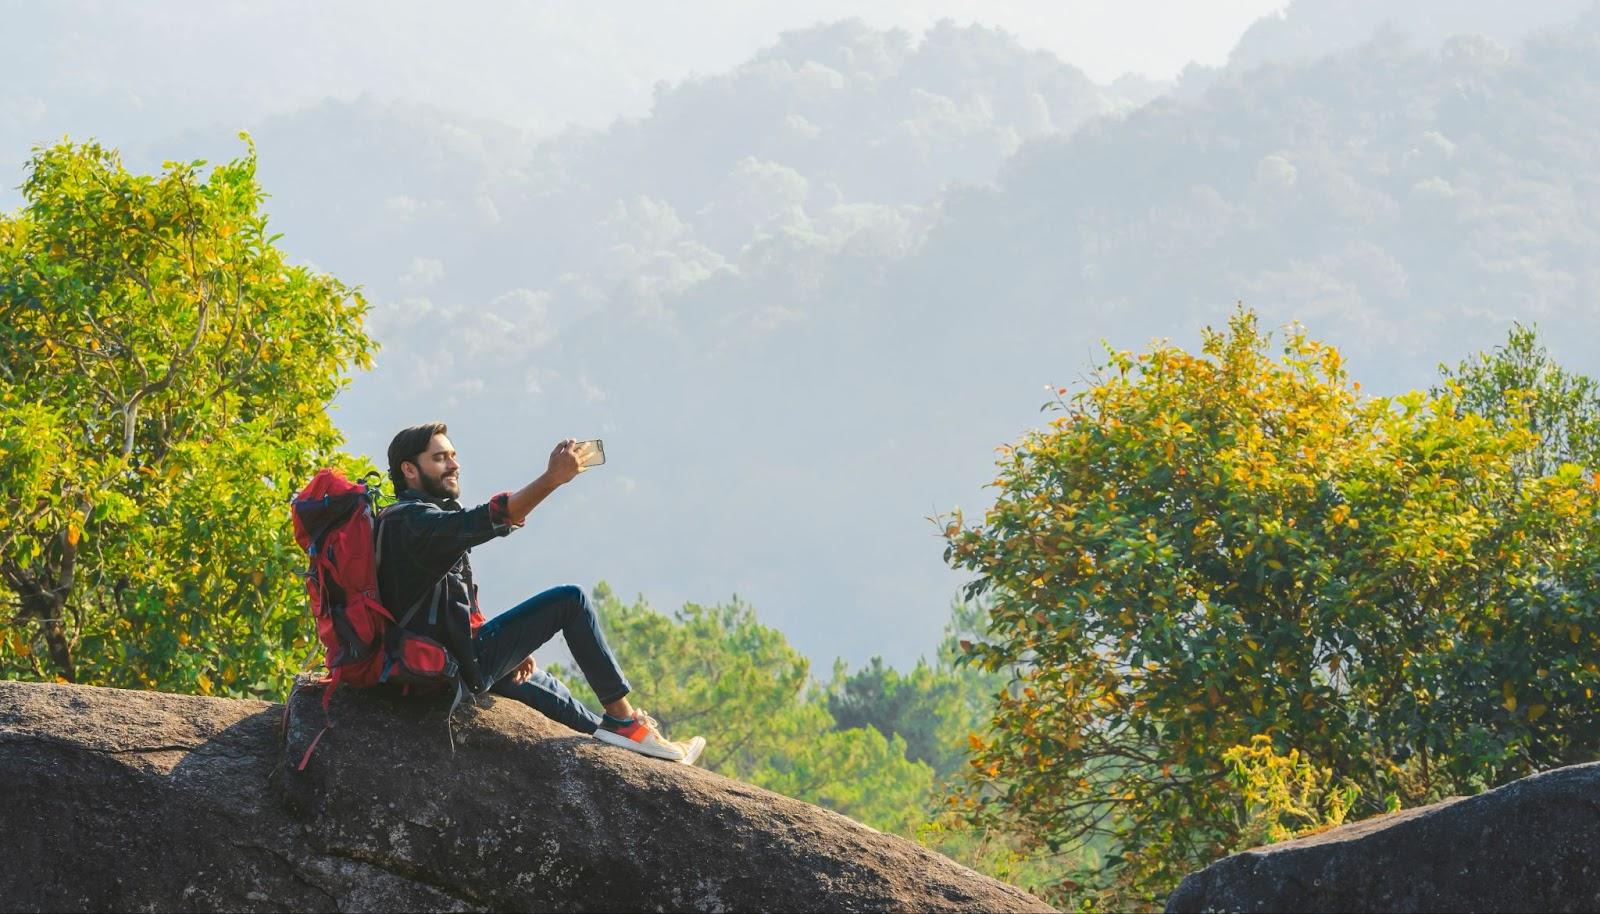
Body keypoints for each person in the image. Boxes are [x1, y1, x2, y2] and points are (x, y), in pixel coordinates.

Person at [376, 421, 705, 765]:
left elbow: (439, 605)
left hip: (436, 661)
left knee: (541, 685)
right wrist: (552, 479)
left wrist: (505, 647)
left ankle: (626, 747)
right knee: (570, 600)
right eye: (440, 458)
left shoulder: (402, 519)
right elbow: (490, 519)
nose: (454, 465)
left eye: (453, 456)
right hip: (447, 668)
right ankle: (625, 722)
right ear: (410, 470)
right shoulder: (414, 522)